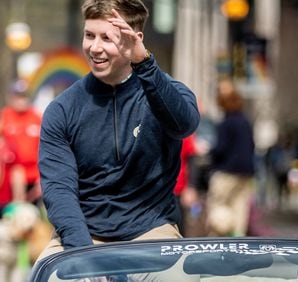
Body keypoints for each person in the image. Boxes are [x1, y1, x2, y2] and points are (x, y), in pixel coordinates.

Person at [37, 0, 199, 260]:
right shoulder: (62, 110)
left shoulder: (166, 90)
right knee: (49, 273)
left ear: (136, 40)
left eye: (107, 38)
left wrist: (145, 64)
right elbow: (59, 193)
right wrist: (85, 259)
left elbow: (184, 125)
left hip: (151, 232)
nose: (95, 47)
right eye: (89, 35)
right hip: (84, 236)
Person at [206, 79, 255, 237]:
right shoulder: (245, 122)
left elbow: (220, 149)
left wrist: (209, 152)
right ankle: (238, 243)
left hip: (226, 172)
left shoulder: (225, 123)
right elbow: (251, 146)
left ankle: (217, 246)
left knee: (218, 211)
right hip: (246, 173)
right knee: (239, 211)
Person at [0, 80, 42, 205]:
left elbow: (45, 148)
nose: (20, 100)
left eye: (23, 95)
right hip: (12, 177)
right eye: (17, 96)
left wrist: (42, 177)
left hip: (35, 176)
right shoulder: (4, 116)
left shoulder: (37, 117)